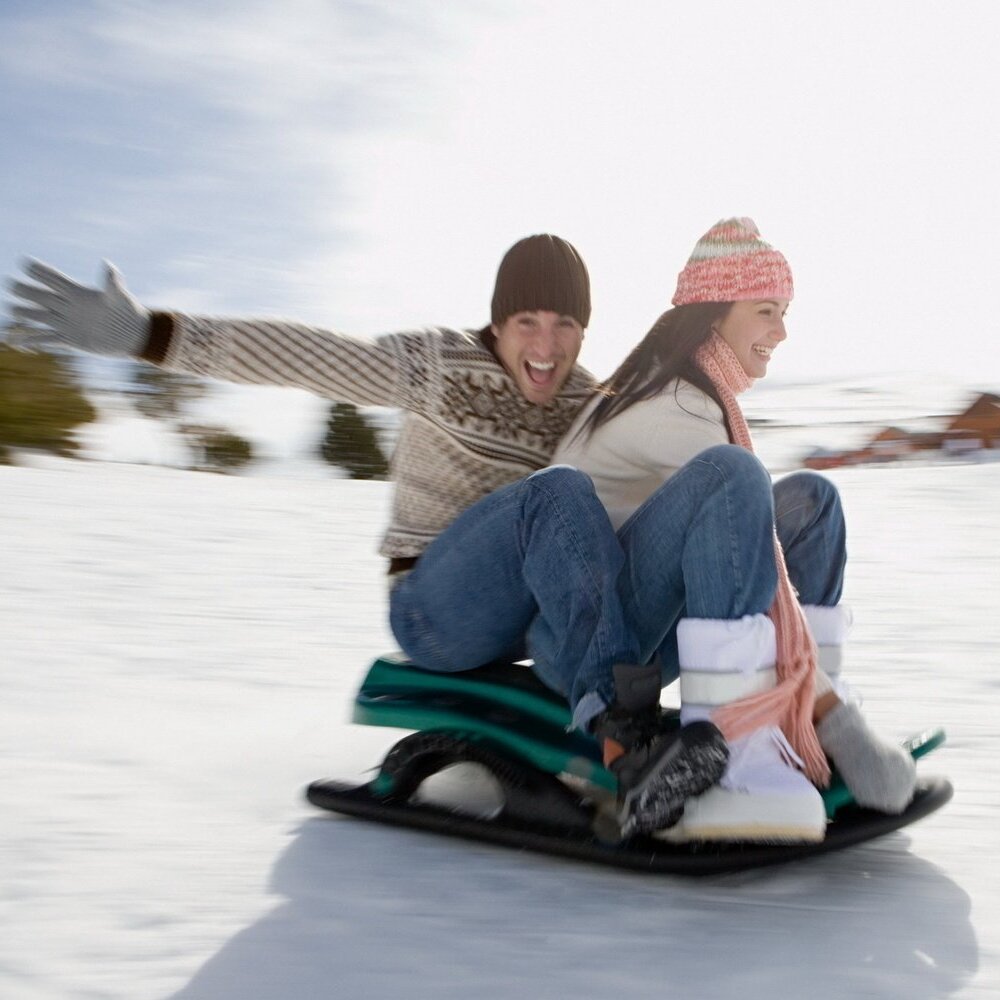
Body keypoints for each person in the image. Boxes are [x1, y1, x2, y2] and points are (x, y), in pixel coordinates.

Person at [4, 236, 727, 837]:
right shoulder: (436, 366)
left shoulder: (585, 400)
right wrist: (148, 335)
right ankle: (627, 745)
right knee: (556, 494)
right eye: (528, 321)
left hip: (533, 623)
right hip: (437, 612)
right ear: (499, 321)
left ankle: (740, 718)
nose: (546, 344)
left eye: (566, 324)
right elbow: (302, 353)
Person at [554, 218, 917, 842]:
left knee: (812, 501)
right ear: (716, 312)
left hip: (648, 607)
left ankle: (797, 719)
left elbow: (756, 551)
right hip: (601, 635)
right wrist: (842, 722)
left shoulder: (702, 389)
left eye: (784, 312)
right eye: (767, 310)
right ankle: (742, 740)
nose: (782, 330)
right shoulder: (677, 403)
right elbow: (754, 558)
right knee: (734, 480)